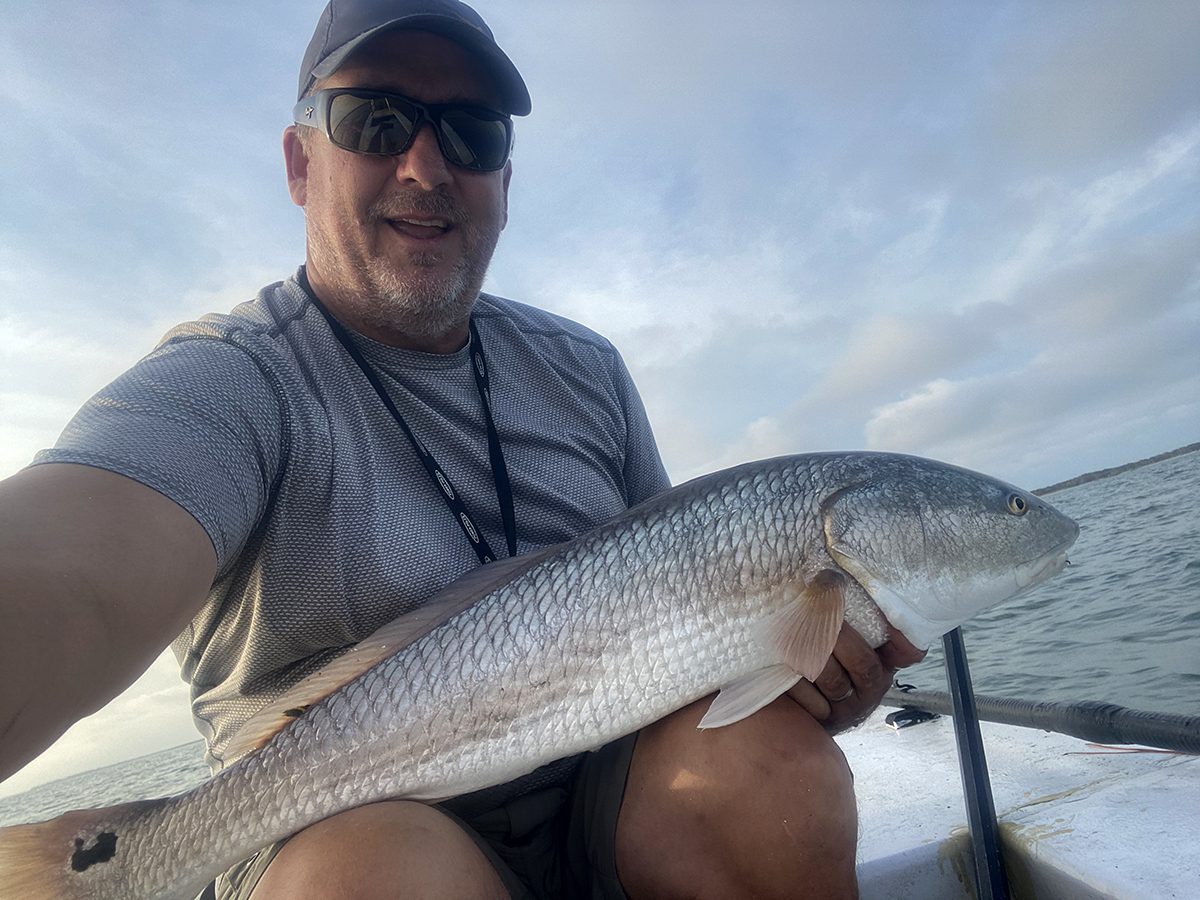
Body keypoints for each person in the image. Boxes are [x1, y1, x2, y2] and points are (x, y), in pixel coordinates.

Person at [0, 1, 925, 897]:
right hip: (328, 826)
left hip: (607, 804)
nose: (425, 166)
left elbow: (691, 599)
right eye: (376, 120)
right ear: (299, 162)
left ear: (507, 181)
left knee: (774, 778)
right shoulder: (229, 384)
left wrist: (798, 670)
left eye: (472, 133)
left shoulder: (586, 372)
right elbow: (71, 572)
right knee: (376, 882)